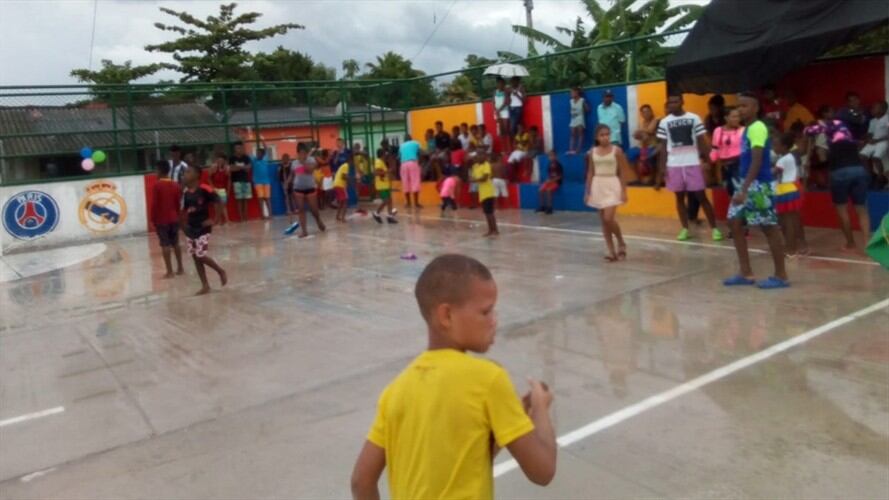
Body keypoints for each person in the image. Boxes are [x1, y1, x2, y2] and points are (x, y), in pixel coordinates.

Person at [350, 254, 557, 500]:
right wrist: (541, 409)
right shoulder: (488, 379)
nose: (494, 321)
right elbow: (542, 471)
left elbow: (361, 482)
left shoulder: (395, 392)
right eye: (486, 312)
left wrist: (511, 419)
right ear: (446, 315)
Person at [723, 92, 789, 289]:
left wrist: (744, 189)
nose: (740, 109)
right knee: (734, 222)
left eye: (745, 106)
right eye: (739, 106)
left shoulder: (758, 128)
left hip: (758, 185)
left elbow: (757, 159)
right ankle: (746, 272)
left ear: (756, 108)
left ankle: (781, 275)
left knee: (769, 228)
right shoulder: (748, 129)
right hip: (746, 184)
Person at [655, 94, 723, 241]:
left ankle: (715, 229)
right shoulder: (664, 122)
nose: (673, 104)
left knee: (701, 196)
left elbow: (701, 141)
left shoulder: (694, 118)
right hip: (673, 165)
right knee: (679, 198)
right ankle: (685, 229)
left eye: (676, 101)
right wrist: (662, 167)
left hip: (692, 163)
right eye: (670, 102)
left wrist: (708, 159)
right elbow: (663, 146)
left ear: (682, 102)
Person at [807, 115, 871, 252]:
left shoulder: (832, 138)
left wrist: (820, 124)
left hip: (839, 172)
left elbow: (808, 131)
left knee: (842, 210)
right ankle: (867, 244)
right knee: (862, 211)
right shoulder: (850, 138)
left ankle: (850, 243)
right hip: (858, 170)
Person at [180, 165, 228, 295]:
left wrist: (215, 219)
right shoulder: (185, 192)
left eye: (188, 172)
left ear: (196, 175)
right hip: (190, 228)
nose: (185, 174)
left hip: (203, 228)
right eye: (185, 172)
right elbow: (182, 210)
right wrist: (183, 225)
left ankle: (220, 271)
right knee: (196, 257)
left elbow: (219, 200)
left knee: (200, 255)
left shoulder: (204, 189)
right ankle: (205, 285)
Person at [585, 124, 629, 262]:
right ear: (597, 137)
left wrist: (623, 190)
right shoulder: (592, 152)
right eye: (602, 135)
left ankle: (621, 241)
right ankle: (611, 250)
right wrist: (587, 191)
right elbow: (590, 171)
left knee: (609, 218)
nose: (605, 137)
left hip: (612, 184)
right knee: (603, 221)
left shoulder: (617, 150)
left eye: (607, 134)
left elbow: (623, 171)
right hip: (598, 185)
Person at [773, 132, 806, 257]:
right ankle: (799, 245)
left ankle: (791, 248)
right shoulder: (791, 156)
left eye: (776, 145)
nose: (774, 148)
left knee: (787, 222)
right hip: (792, 187)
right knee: (793, 219)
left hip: (786, 190)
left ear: (785, 147)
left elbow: (774, 172)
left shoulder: (782, 160)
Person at [151, 160, 184, 278]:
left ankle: (169, 271)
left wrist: (153, 219)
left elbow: (155, 204)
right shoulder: (176, 185)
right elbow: (178, 203)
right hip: (174, 217)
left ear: (159, 171)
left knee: (165, 244)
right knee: (176, 243)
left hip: (162, 219)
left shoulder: (157, 185)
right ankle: (180, 267)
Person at [288, 142, 326, 238]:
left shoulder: (312, 160)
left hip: (310, 187)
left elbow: (309, 170)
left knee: (314, 210)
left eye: (304, 153)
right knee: (301, 209)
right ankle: (304, 231)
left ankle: (318, 220)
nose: (302, 155)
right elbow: (294, 174)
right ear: (297, 153)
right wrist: (287, 182)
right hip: (298, 188)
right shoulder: (294, 163)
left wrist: (303, 162)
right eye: (300, 153)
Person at [710, 108, 745, 201]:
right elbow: (715, 149)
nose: (736, 119)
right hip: (724, 166)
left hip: (739, 164)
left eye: (738, 117)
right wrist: (711, 163)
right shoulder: (718, 131)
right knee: (729, 191)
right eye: (733, 117)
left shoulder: (743, 130)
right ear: (726, 118)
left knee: (739, 190)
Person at [860, 100, 888, 187]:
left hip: (883, 141)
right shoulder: (872, 121)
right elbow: (870, 133)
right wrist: (867, 139)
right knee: (861, 156)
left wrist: (878, 140)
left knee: (876, 158)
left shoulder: (887, 119)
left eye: (875, 108)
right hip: (873, 141)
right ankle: (871, 175)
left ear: (883, 110)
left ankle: (881, 177)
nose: (872, 110)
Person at [629, 104, 659, 184]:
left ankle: (652, 179)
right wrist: (641, 132)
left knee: (651, 157)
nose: (646, 113)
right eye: (644, 112)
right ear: (641, 114)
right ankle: (638, 179)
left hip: (653, 146)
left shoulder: (656, 120)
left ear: (651, 112)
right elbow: (636, 135)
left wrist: (641, 131)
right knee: (629, 155)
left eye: (648, 111)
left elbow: (650, 130)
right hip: (641, 146)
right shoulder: (642, 122)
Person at [472, 151, 498, 236]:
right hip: (482, 192)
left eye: (481, 155)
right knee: (487, 212)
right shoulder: (475, 166)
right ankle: (492, 229)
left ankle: (493, 230)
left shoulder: (486, 164)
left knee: (489, 212)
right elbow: (475, 177)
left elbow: (485, 178)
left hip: (488, 191)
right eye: (478, 155)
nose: (479, 157)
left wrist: (475, 180)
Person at [372, 149, 398, 224]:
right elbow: (376, 172)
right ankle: (376, 213)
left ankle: (390, 217)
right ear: (382, 154)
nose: (386, 155)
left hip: (385, 185)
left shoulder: (382, 162)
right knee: (386, 200)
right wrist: (387, 171)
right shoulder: (378, 162)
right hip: (381, 186)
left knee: (389, 200)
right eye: (385, 154)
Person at [229, 142, 253, 222]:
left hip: (246, 180)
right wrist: (243, 167)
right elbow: (231, 169)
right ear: (234, 149)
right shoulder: (232, 158)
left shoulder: (246, 157)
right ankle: (241, 217)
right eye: (237, 148)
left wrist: (237, 167)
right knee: (239, 200)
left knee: (245, 199)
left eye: (240, 148)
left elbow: (248, 169)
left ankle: (246, 216)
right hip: (236, 181)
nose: (238, 150)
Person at [399, 134, 423, 209]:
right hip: (413, 163)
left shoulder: (401, 146)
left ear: (404, 140)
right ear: (411, 138)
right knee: (415, 182)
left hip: (403, 164)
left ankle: (408, 203)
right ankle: (416, 203)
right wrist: (420, 161)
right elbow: (421, 152)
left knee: (405, 182)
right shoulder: (416, 143)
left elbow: (399, 156)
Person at [208, 152, 230, 225]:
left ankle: (226, 220)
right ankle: (219, 221)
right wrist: (212, 187)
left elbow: (229, 180)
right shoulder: (214, 168)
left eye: (221, 160)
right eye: (219, 160)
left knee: (223, 205)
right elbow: (209, 178)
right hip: (216, 188)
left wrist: (228, 190)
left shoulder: (226, 168)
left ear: (224, 161)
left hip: (222, 189)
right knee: (216, 206)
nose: (220, 162)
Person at [537, 150, 563, 214]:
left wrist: (551, 180)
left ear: (556, 156)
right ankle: (542, 206)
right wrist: (548, 180)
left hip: (557, 182)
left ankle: (549, 207)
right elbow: (549, 175)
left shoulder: (559, 165)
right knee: (540, 190)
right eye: (550, 156)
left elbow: (560, 177)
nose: (551, 157)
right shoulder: (549, 165)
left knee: (549, 190)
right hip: (550, 181)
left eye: (552, 155)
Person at [252, 148, 273, 220]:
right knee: (260, 199)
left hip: (266, 182)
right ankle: (262, 215)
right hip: (258, 183)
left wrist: (262, 139)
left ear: (262, 154)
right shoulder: (254, 160)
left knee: (267, 198)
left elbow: (266, 148)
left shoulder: (265, 159)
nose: (257, 154)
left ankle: (270, 214)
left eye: (259, 153)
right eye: (257, 153)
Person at [568, 86, 589, 154]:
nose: (571, 94)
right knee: (572, 134)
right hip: (573, 118)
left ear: (577, 93)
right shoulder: (571, 101)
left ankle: (578, 150)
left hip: (580, 118)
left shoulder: (582, 100)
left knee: (580, 134)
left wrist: (585, 107)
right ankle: (571, 149)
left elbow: (587, 109)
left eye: (572, 92)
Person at [493, 77, 511, 152]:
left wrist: (499, 110)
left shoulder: (506, 91)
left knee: (506, 130)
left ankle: (509, 148)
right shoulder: (495, 92)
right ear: (497, 84)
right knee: (501, 132)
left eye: (502, 83)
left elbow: (506, 102)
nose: (500, 84)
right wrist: (496, 110)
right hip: (497, 112)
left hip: (504, 111)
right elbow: (493, 102)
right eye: (499, 83)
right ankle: (504, 149)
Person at [333, 156, 351, 222]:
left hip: (336, 184)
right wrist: (351, 179)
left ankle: (337, 216)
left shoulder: (343, 166)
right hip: (340, 185)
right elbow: (344, 176)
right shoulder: (346, 166)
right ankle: (343, 218)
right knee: (345, 201)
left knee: (341, 202)